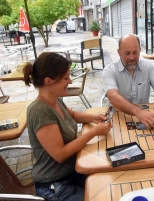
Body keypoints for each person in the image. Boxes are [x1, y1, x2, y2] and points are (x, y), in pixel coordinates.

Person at [23, 52, 112, 201]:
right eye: (66, 78)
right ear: (49, 81)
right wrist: (94, 132)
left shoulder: (54, 100)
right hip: (54, 183)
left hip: (73, 171)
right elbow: (60, 154)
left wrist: (92, 117)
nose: (70, 82)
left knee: (110, 183)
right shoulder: (39, 110)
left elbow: (72, 115)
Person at [103, 34, 154, 129]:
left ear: (140, 51)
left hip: (144, 119)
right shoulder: (109, 70)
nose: (132, 57)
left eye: (135, 52)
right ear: (119, 52)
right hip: (119, 119)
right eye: (127, 53)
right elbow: (113, 96)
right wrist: (138, 112)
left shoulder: (148, 67)